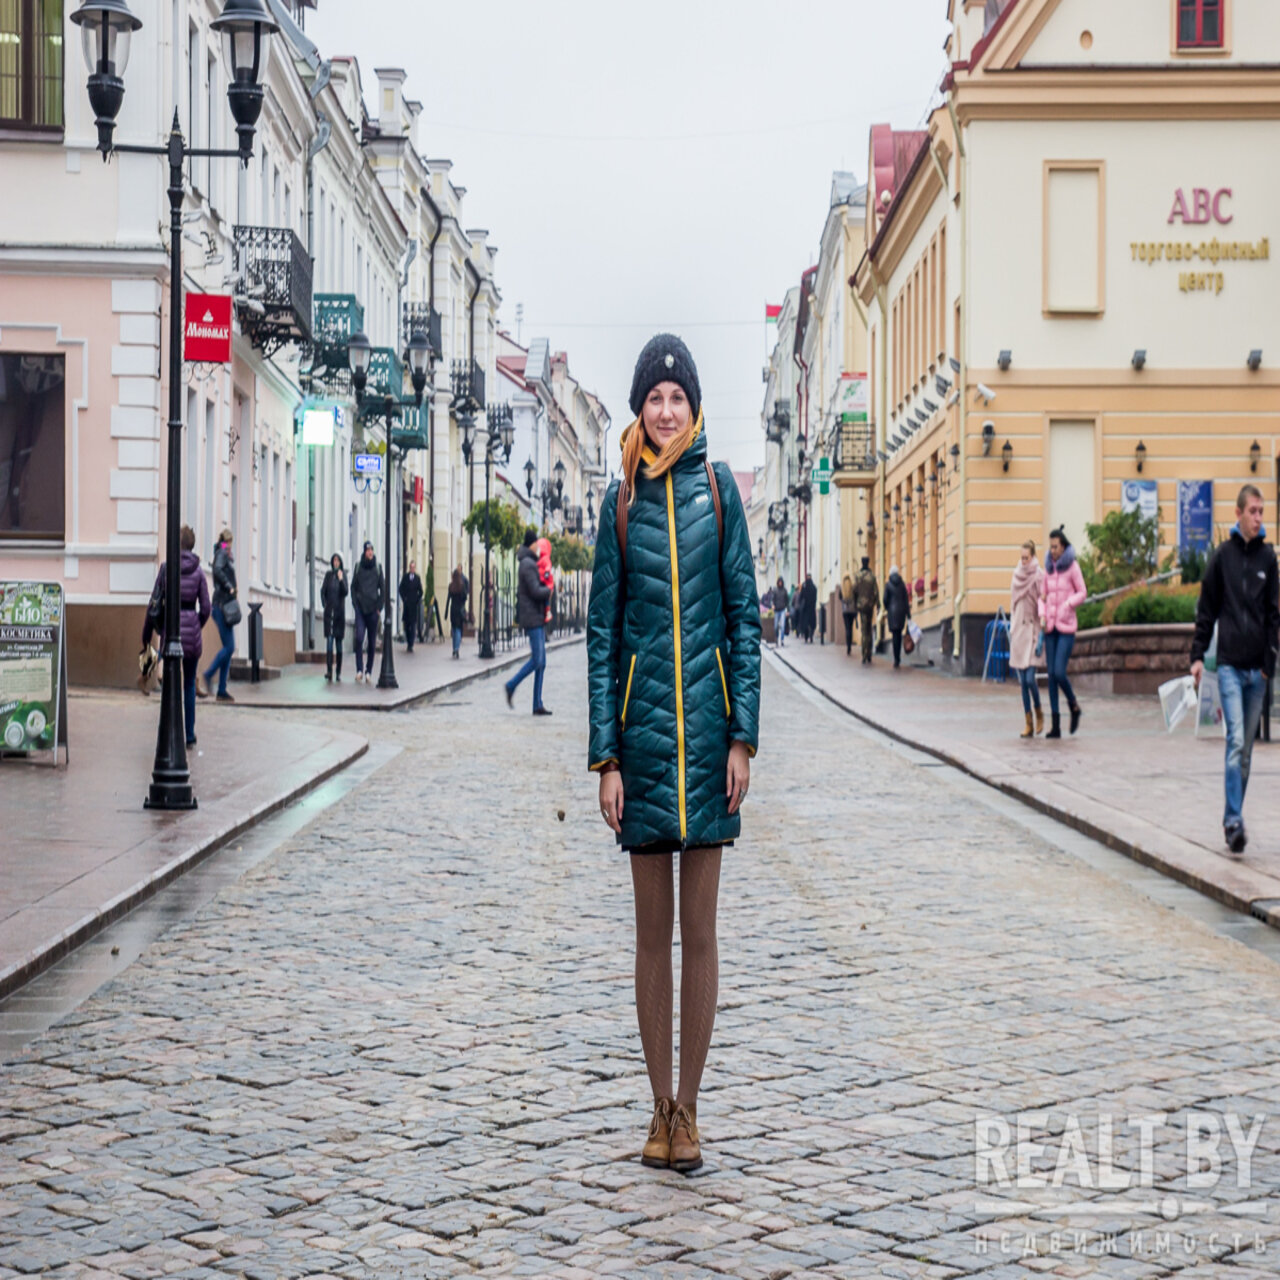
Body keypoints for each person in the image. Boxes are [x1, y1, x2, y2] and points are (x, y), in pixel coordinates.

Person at [588, 334, 761, 1175]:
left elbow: (745, 624)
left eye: (677, 397)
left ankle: (691, 1108)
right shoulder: (618, 505)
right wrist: (605, 757)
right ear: (640, 408)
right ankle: (656, 1107)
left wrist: (742, 737)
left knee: (703, 932)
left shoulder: (720, 492)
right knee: (651, 936)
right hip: (646, 748)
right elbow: (600, 637)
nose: (665, 410)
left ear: (694, 408)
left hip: (709, 755)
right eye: (653, 397)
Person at [1191, 484, 1280, 855]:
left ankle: (1233, 820)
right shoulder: (1222, 557)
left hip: (1256, 671)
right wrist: (1197, 656)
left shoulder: (1269, 559)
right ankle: (1232, 820)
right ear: (1239, 514)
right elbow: (1206, 608)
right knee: (1235, 742)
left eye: (1262, 511)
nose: (1260, 518)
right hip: (1228, 665)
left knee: (1245, 754)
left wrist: (1269, 664)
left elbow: (1275, 614)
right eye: (1254, 511)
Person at [142, 524, 210, 748]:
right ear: (192, 545)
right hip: (192, 630)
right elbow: (207, 607)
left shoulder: (166, 568)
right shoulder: (199, 572)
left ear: (176, 543)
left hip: (170, 630)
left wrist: (148, 633)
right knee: (189, 683)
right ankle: (189, 733)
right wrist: (196, 624)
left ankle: (168, 729)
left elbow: (154, 602)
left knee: (170, 682)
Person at [1039, 527, 1086, 739]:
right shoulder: (1048, 569)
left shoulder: (1072, 567)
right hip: (1049, 627)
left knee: (1059, 672)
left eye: (1056, 546)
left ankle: (1074, 705)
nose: (1053, 551)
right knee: (1051, 677)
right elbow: (1042, 596)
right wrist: (1042, 614)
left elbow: (1082, 592)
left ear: (1063, 546)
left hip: (1066, 627)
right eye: (1051, 547)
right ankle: (1055, 725)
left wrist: (1068, 604)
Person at [505, 528, 553, 714]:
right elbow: (534, 590)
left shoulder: (530, 562)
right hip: (532, 616)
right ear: (531, 544)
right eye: (536, 543)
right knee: (537, 660)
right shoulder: (527, 564)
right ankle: (511, 685)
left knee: (542, 662)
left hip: (536, 616)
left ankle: (537, 704)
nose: (539, 547)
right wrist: (548, 590)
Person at [1010, 540, 1044, 738]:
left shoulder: (1039, 576)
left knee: (1030, 679)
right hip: (1018, 633)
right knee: (1022, 682)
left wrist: (1042, 629)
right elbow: (1013, 604)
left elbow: (1044, 601)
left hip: (1033, 631)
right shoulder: (1016, 576)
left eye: (1026, 558)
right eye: (1021, 557)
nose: (1023, 561)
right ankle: (1028, 722)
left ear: (1033, 556)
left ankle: (1039, 711)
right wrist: (1013, 627)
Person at [200, 528, 237, 702]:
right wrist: (229, 585)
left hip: (223, 605)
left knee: (229, 648)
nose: (230, 546)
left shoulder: (222, 552)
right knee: (229, 647)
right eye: (230, 542)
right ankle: (208, 674)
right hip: (221, 606)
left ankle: (222, 690)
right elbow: (217, 570)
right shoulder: (222, 553)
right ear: (227, 541)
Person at [350, 540, 384, 683]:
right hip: (360, 609)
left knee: (371, 642)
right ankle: (359, 669)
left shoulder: (377, 567)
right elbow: (353, 587)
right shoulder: (359, 567)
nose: (370, 552)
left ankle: (368, 671)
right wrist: (355, 603)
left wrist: (379, 607)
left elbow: (382, 588)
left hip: (373, 610)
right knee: (359, 637)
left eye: (371, 550)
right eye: (367, 550)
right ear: (364, 552)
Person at [321, 553, 348, 681]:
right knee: (329, 644)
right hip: (329, 614)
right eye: (334, 560)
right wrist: (325, 604)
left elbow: (345, 592)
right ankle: (329, 671)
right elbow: (323, 591)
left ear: (341, 563)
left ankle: (338, 672)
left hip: (339, 615)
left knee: (338, 645)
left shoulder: (342, 575)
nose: (336, 563)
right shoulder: (328, 576)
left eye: (338, 561)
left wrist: (341, 579)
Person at [852, 556, 879, 665]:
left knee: (864, 630)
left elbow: (854, 591)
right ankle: (869, 655)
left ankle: (864, 654)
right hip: (870, 606)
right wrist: (877, 604)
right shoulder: (872, 577)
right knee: (869, 628)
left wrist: (855, 603)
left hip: (861, 606)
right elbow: (876, 592)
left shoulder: (858, 577)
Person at [883, 565, 911, 668]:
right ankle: (898, 657)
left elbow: (885, 599)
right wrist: (908, 613)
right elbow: (906, 599)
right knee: (899, 634)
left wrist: (887, 608)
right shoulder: (902, 584)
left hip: (892, 612)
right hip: (901, 612)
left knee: (894, 635)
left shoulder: (888, 585)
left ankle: (896, 659)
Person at [398, 560, 424, 653]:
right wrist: (404, 598)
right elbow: (400, 588)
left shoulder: (417, 578)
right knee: (407, 624)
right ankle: (408, 639)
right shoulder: (405, 577)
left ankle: (411, 644)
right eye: (411, 567)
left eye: (414, 567)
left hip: (413, 605)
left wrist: (417, 599)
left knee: (413, 625)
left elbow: (421, 591)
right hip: (407, 604)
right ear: (409, 568)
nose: (412, 569)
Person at [446, 566, 468, 659]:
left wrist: (446, 612)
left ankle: (454, 648)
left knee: (454, 629)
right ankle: (457, 648)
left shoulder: (451, 586)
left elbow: (448, 599)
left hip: (453, 610)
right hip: (459, 610)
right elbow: (465, 597)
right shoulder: (462, 586)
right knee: (458, 629)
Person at [840, 574, 857, 656]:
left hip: (845, 611)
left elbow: (840, 597)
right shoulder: (853, 587)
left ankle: (848, 646)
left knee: (847, 628)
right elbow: (856, 597)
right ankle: (850, 645)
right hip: (852, 610)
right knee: (850, 627)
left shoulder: (842, 588)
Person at [799, 572, 818, 643]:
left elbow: (801, 597)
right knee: (811, 624)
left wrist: (801, 604)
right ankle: (810, 636)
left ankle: (807, 637)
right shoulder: (814, 587)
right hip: (811, 608)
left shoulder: (804, 586)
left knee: (806, 623)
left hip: (806, 609)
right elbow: (815, 598)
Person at [771, 576, 789, 646]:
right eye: (779, 582)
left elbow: (787, 601)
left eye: (781, 582)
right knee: (775, 626)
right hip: (776, 610)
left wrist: (787, 610)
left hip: (782, 610)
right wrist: (773, 605)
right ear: (778, 583)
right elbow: (773, 599)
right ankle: (776, 638)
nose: (780, 583)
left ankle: (782, 640)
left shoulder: (784, 590)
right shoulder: (775, 590)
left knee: (782, 626)